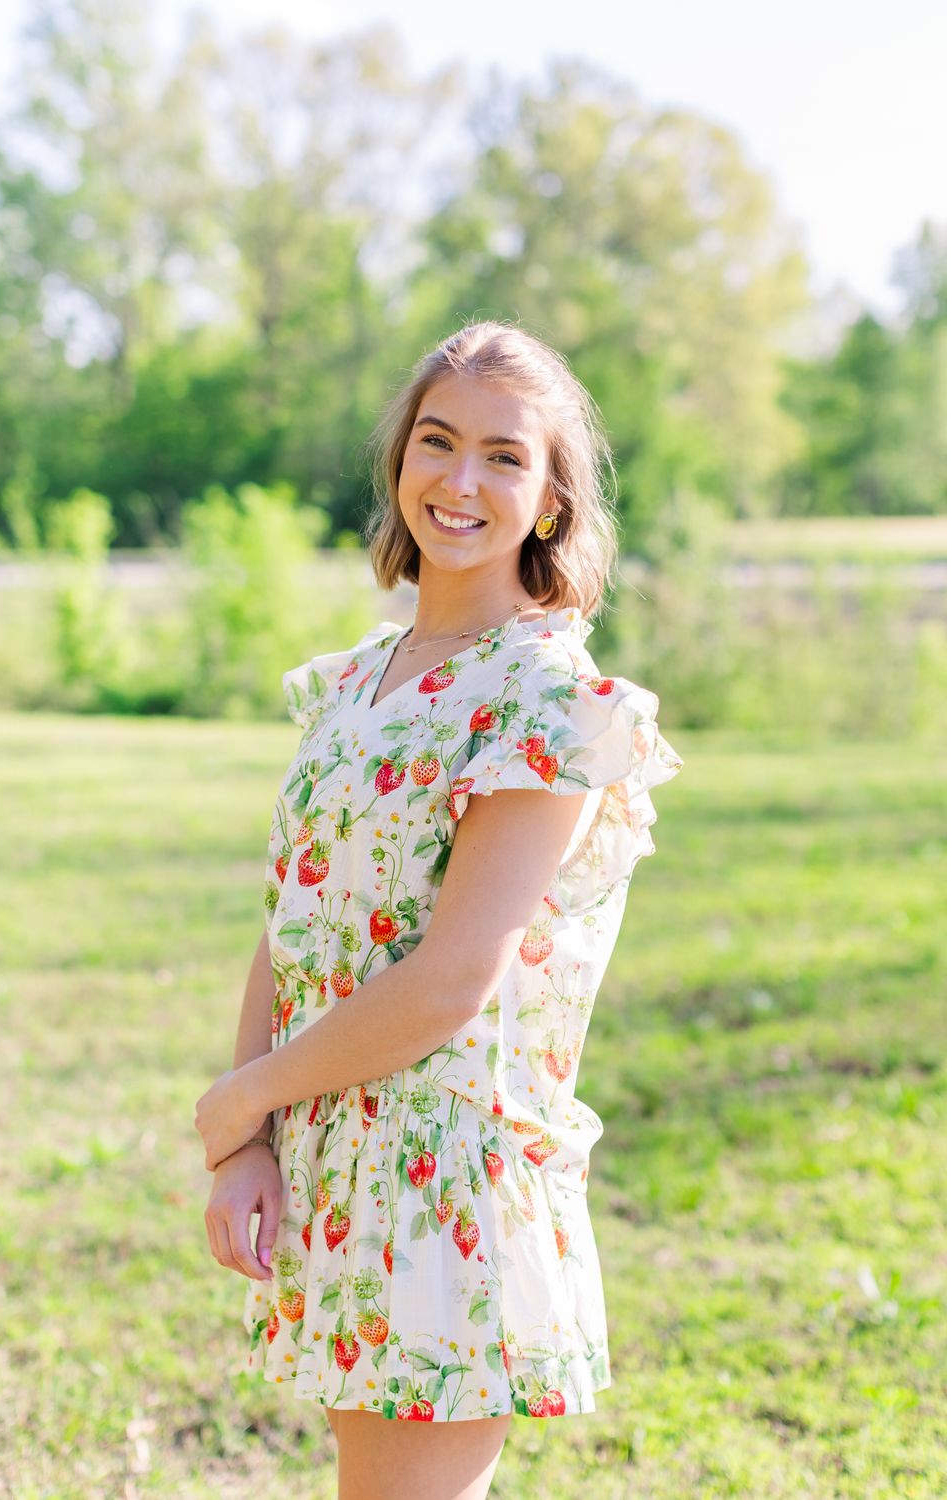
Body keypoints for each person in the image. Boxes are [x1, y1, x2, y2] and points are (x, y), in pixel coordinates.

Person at [194, 319, 684, 1500]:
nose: (460, 481)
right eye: (436, 441)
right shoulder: (363, 679)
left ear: (552, 499)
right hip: (340, 1154)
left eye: (505, 456)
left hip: (446, 1175)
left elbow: (453, 980)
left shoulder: (548, 699)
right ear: (400, 462)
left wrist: (243, 1095)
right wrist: (251, 1141)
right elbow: (299, 914)